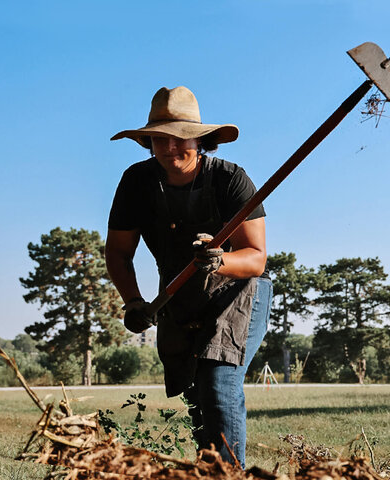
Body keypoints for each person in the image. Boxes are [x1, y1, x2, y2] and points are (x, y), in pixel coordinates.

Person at [105, 86, 272, 467]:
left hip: (239, 293)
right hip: (178, 297)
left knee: (217, 381)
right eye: (159, 139)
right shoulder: (136, 183)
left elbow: (256, 259)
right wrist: (132, 301)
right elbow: (118, 253)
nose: (170, 148)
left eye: (180, 138)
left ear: (200, 139)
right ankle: (207, 471)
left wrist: (219, 261)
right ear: (148, 142)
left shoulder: (231, 179)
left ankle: (228, 476)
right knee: (196, 393)